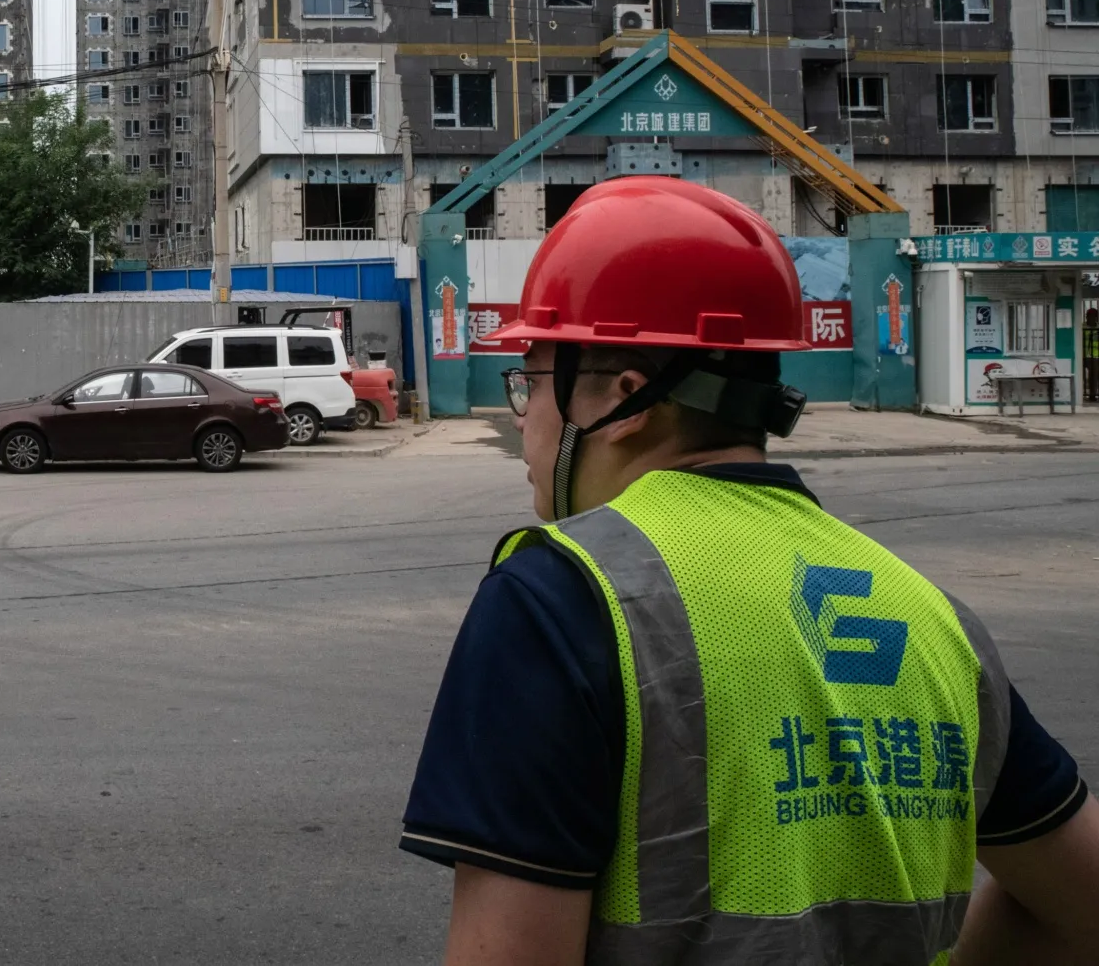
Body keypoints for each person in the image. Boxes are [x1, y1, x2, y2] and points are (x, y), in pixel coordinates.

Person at [399, 178, 1098, 965]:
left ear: (625, 401)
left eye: (532, 381)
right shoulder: (934, 616)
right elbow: (1079, 903)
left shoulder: (560, 600)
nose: (523, 418)